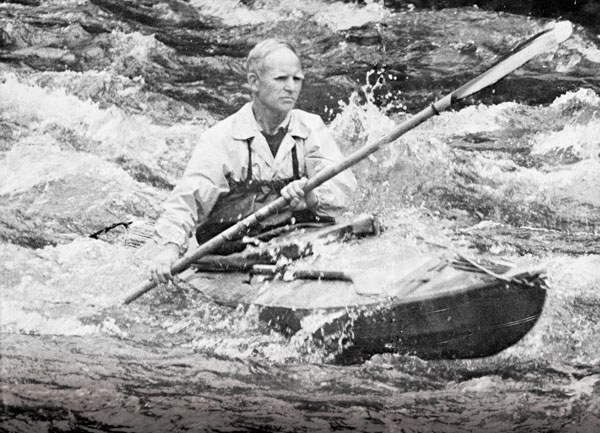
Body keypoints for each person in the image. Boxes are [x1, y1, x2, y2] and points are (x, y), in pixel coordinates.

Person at [150, 38, 357, 284]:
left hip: (293, 236)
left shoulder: (311, 127)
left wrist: (310, 197)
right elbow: (187, 201)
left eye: (297, 79)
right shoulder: (220, 139)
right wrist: (170, 248)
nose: (291, 87)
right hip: (234, 246)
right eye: (281, 79)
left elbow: (342, 190)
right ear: (254, 82)